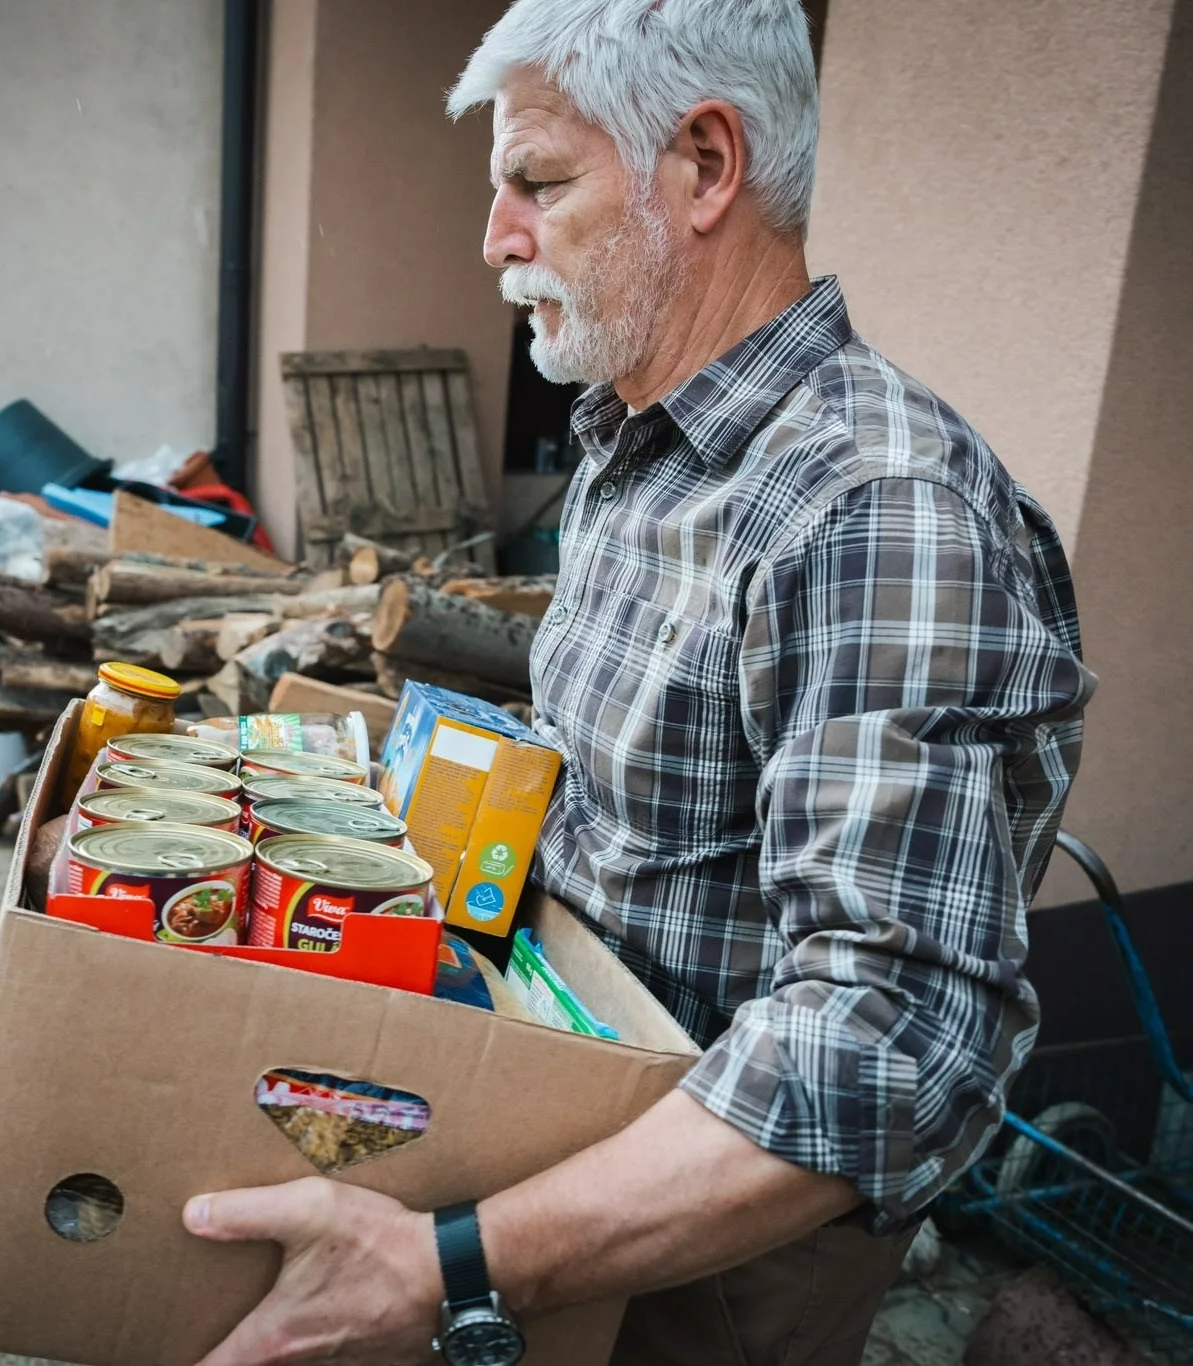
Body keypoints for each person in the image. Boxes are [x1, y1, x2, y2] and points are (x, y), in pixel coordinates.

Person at [180, 1, 1096, 1363]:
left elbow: (888, 1046)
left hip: (712, 1264)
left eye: (540, 183)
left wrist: (452, 1264)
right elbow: (625, 807)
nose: (496, 236)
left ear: (708, 166)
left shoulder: (872, 506)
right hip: (559, 1149)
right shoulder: (636, 435)